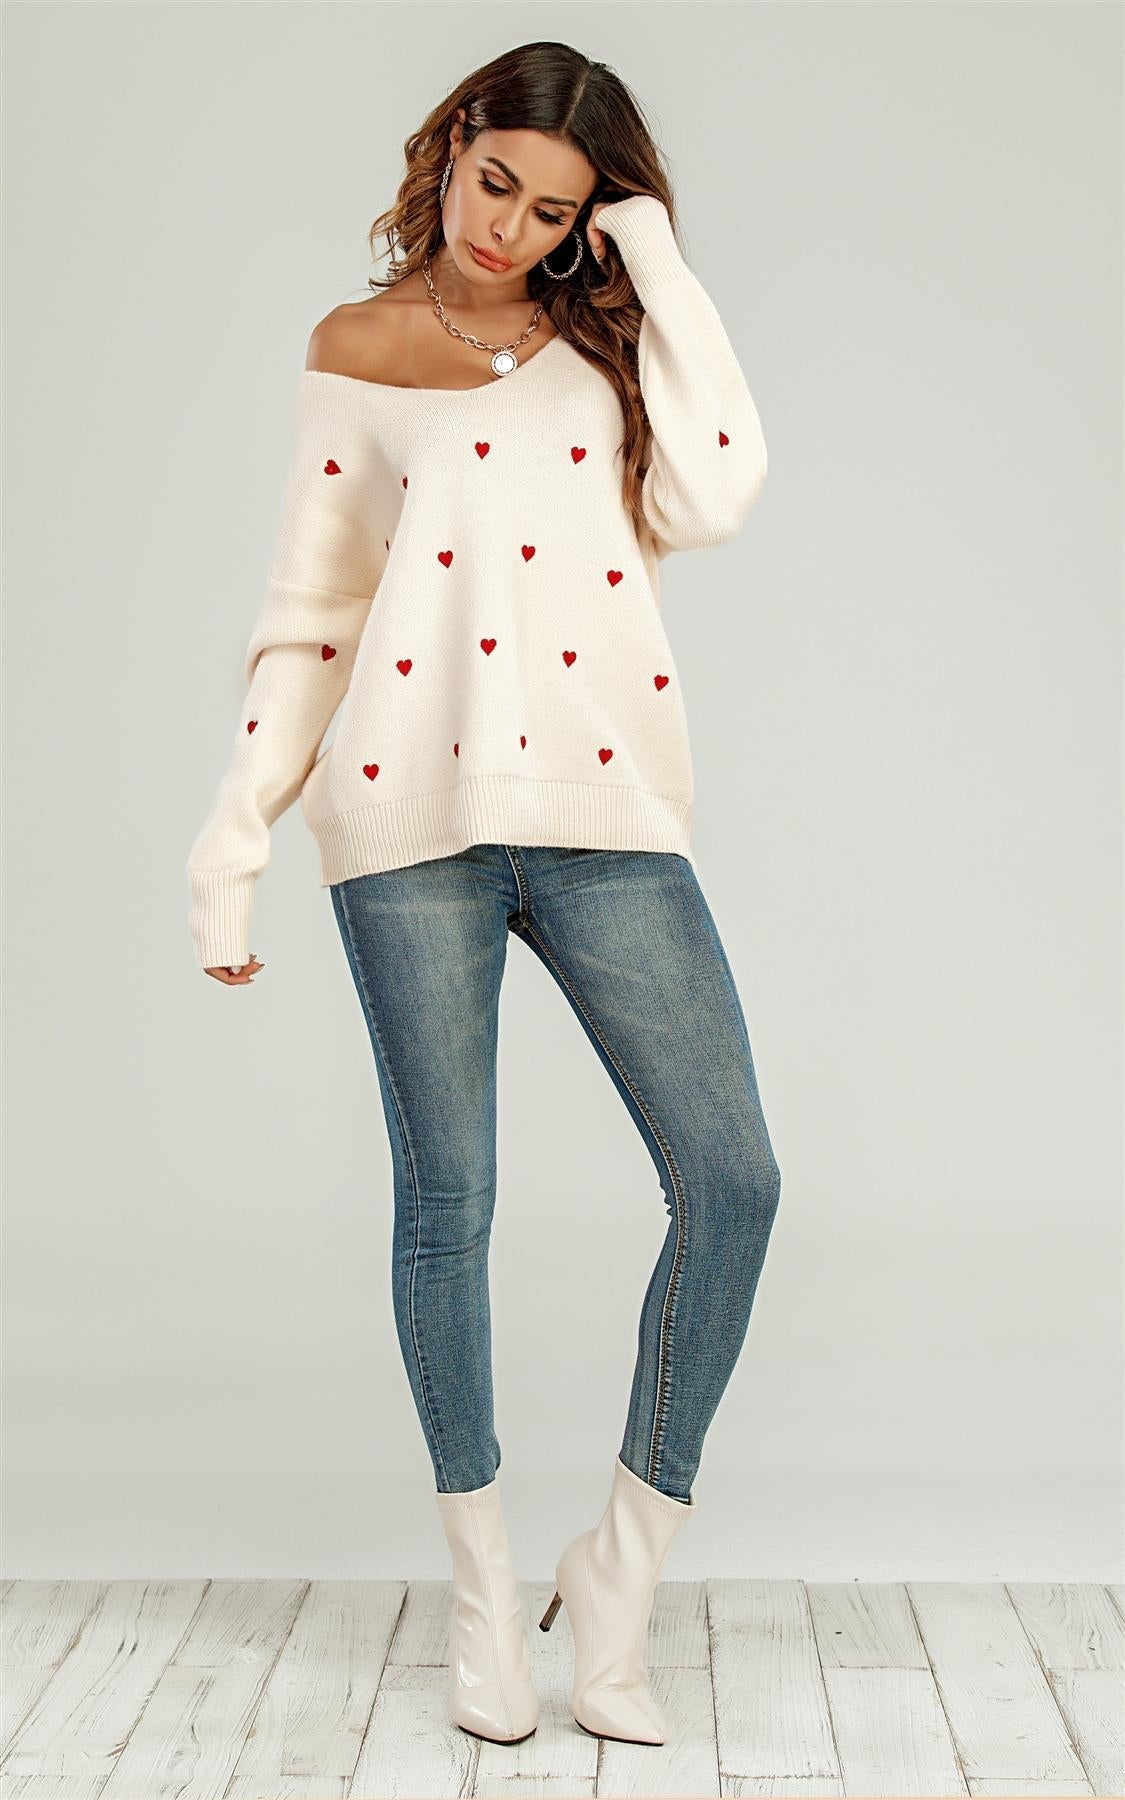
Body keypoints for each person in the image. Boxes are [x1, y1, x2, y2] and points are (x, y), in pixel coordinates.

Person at [187, 39, 782, 1753]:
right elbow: (312, 612)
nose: (507, 228)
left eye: (556, 210)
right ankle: (479, 1594)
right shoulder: (355, 350)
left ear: (595, 221)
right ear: (453, 144)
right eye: (496, 181)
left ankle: (619, 1575)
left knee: (731, 1183)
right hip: (406, 817)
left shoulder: (611, 343)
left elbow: (719, 490)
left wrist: (653, 257)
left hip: (603, 811)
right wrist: (233, 834)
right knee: (447, 1204)